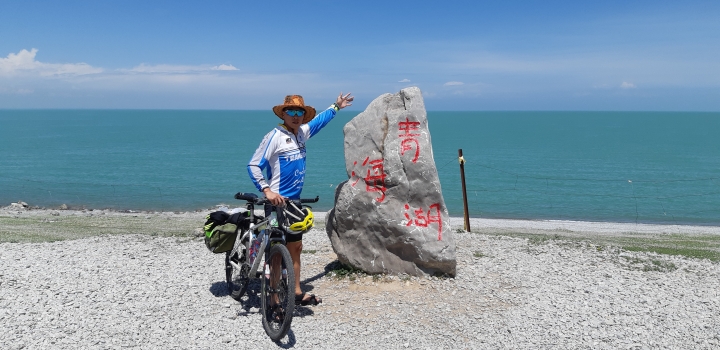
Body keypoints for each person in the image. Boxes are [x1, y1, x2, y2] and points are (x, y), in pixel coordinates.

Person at [248, 92, 354, 306]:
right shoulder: (274, 136)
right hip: (275, 203)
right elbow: (253, 165)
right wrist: (267, 190)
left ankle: (296, 292)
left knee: (296, 247)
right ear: (283, 114)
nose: (296, 116)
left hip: (294, 204)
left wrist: (337, 106)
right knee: (277, 251)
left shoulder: (301, 133)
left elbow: (319, 122)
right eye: (291, 112)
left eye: (300, 112)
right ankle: (274, 297)